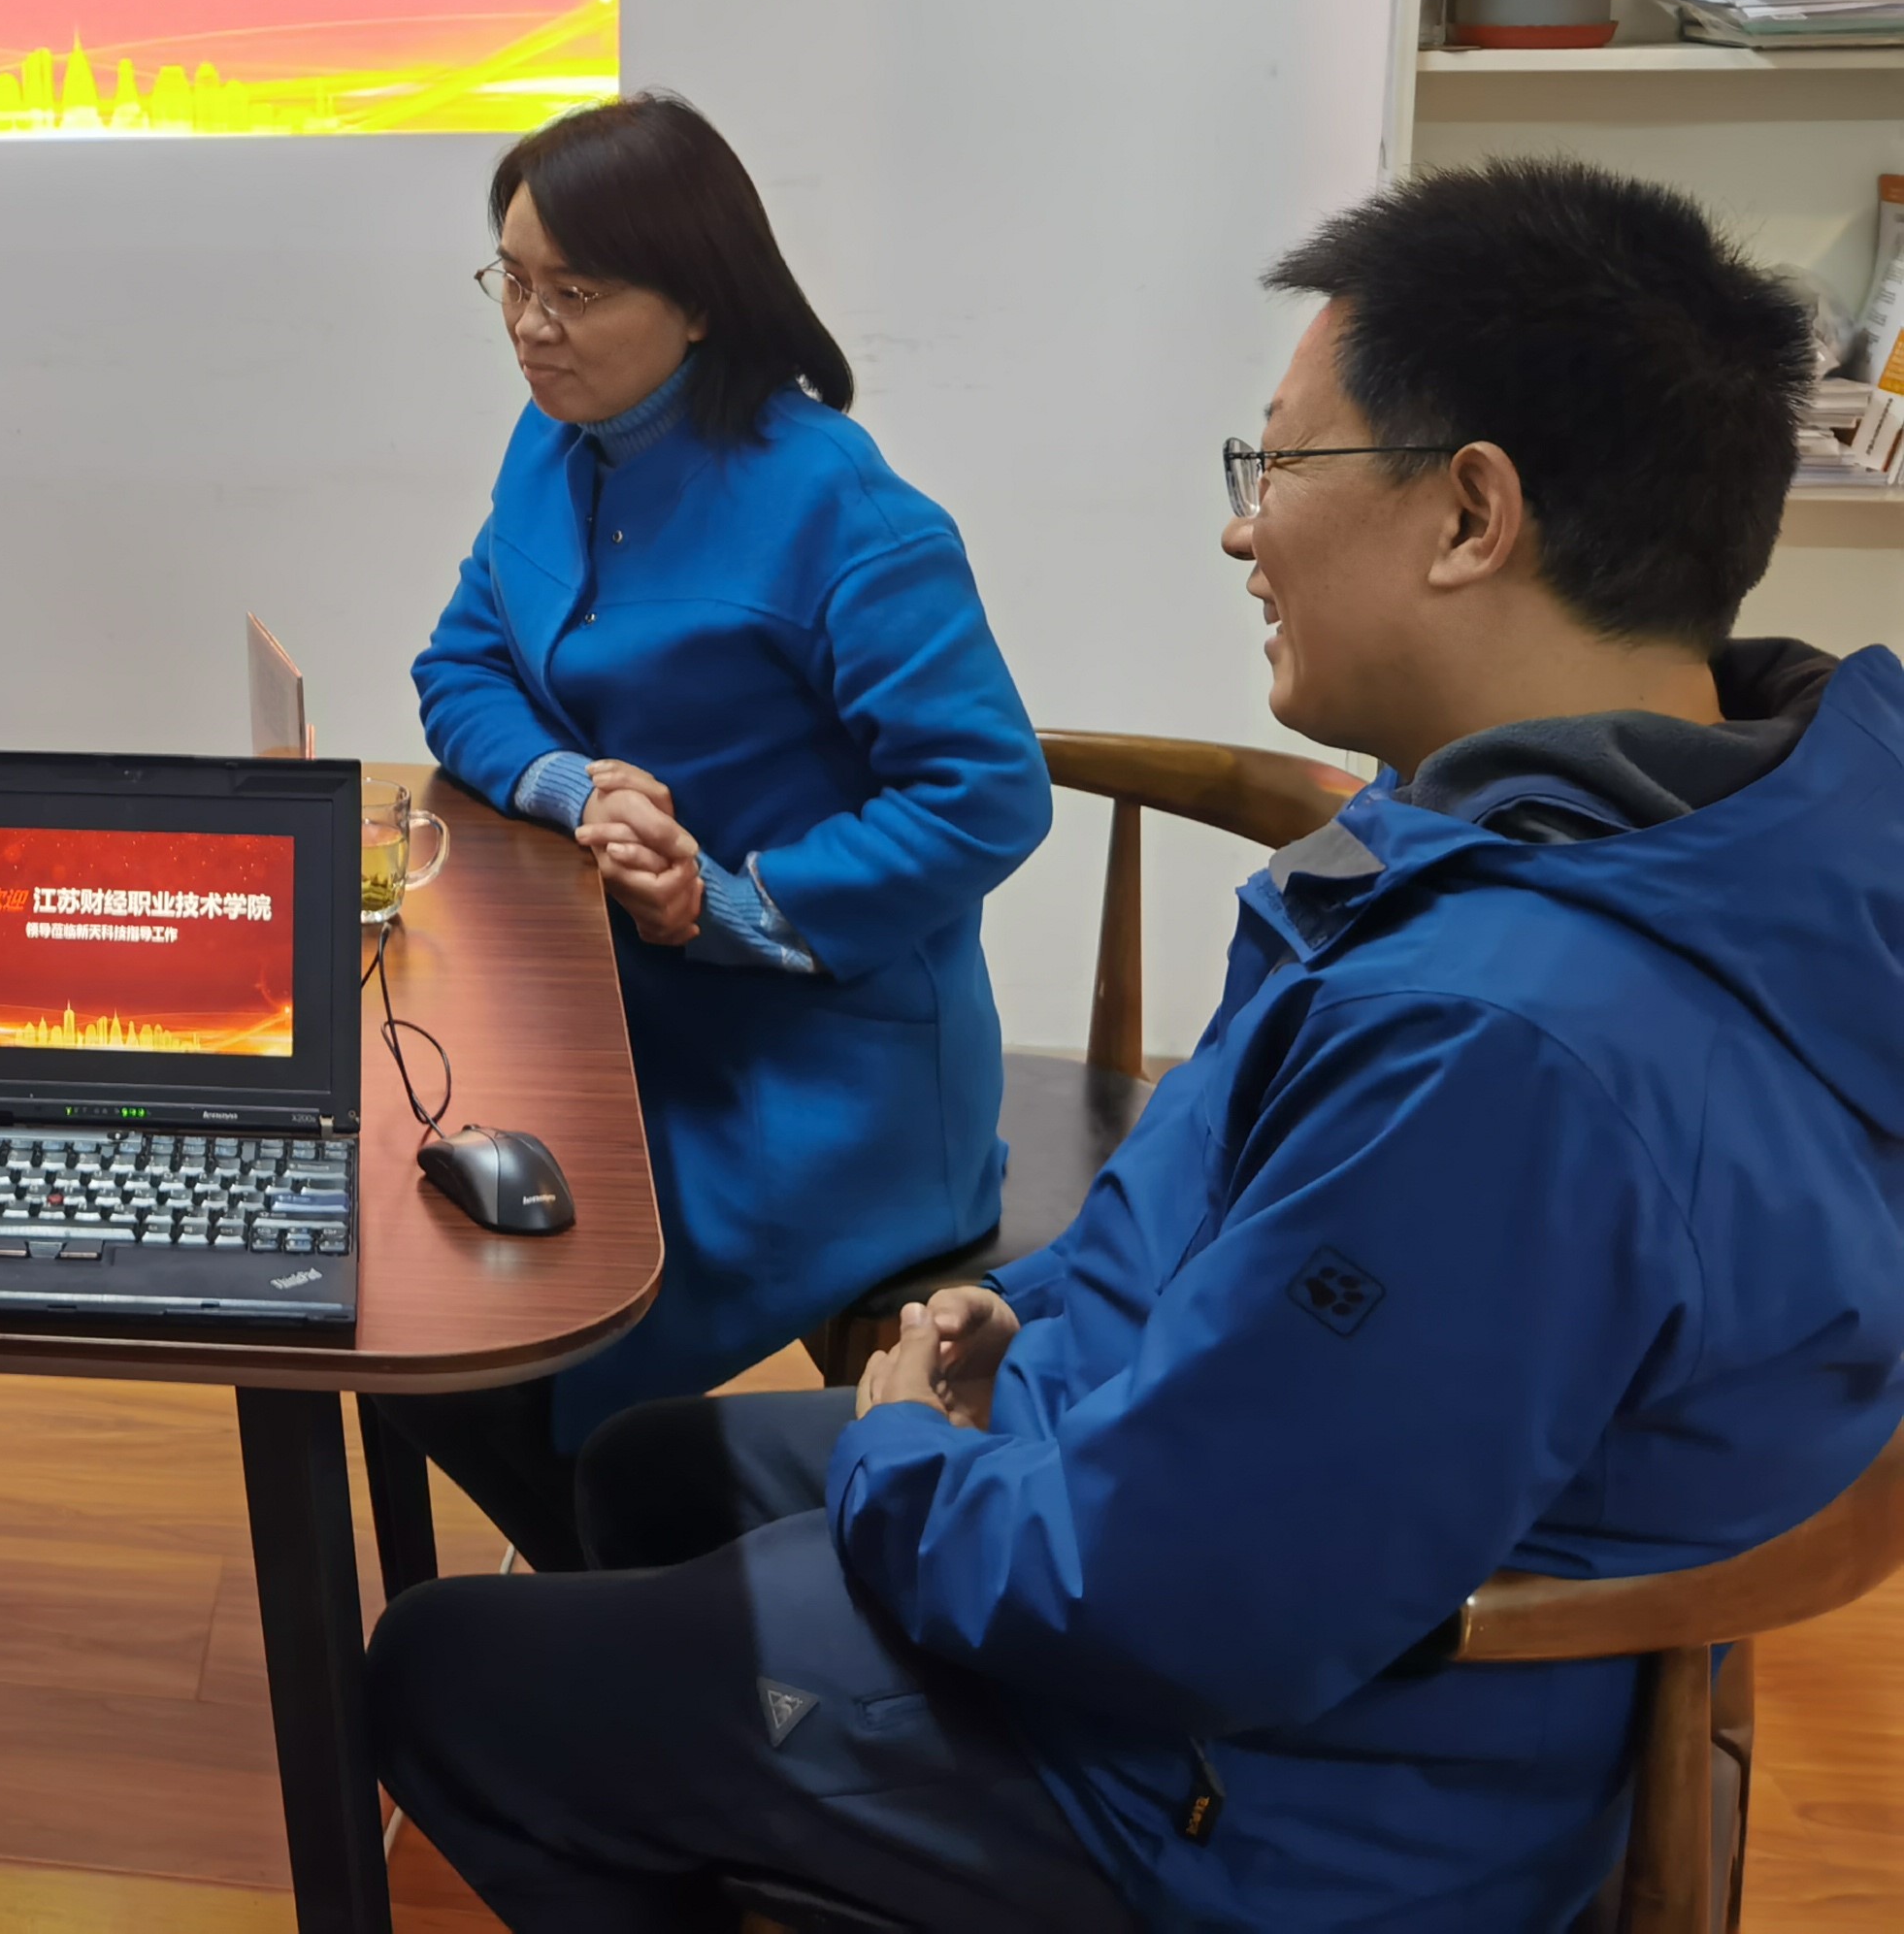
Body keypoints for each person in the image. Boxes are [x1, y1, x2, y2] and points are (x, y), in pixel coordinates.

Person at [369, 156, 1904, 1932]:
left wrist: (909, 1457)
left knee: (443, 1674)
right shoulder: (1582, 820)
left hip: (1257, 1785)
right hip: (1173, 1486)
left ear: (1472, 515)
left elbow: (1181, 1597)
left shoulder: (1502, 1043)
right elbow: (1210, 1253)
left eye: (1279, 466)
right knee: (647, 1470)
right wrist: (1020, 1322)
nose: (1243, 534)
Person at [382, 95, 1050, 1560]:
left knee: (493, 1335)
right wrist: (574, 786)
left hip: (814, 1070)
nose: (531, 327)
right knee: (389, 1259)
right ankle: (618, 1584)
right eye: (512, 280)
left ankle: (651, 1609)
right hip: (608, 1013)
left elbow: (988, 795)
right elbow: (461, 669)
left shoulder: (844, 508)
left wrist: (732, 905)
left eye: (576, 292)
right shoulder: (555, 443)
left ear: (698, 299)